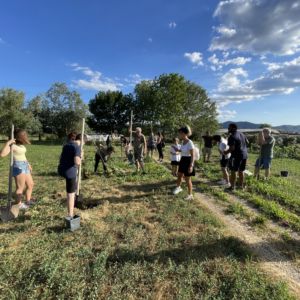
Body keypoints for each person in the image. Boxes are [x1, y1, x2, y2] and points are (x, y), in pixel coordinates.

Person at [1, 129, 35, 209]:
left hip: (25, 165)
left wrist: (28, 164)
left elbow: (23, 155)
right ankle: (18, 205)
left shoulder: (21, 145)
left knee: (30, 184)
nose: (26, 137)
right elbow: (2, 154)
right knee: (20, 187)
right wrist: (8, 143)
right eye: (24, 135)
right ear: (19, 137)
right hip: (18, 166)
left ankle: (28, 201)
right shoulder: (12, 146)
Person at [58, 132, 82, 219]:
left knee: (71, 189)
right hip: (70, 172)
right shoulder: (77, 147)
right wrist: (80, 158)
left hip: (61, 169)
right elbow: (77, 161)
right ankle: (70, 214)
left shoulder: (66, 145)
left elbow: (61, 157)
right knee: (71, 194)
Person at [173, 126, 195, 201]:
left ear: (184, 133)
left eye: (180, 133)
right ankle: (178, 188)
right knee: (179, 175)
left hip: (188, 161)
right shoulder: (183, 142)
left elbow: (193, 155)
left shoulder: (190, 142)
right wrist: (177, 149)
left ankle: (190, 195)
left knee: (188, 179)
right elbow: (182, 150)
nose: (179, 134)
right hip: (183, 160)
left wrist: (191, 165)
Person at [224, 123, 248, 191]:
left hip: (236, 156)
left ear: (233, 128)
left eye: (229, 128)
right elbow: (247, 142)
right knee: (241, 170)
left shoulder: (232, 136)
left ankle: (232, 187)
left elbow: (232, 148)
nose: (228, 129)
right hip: (244, 155)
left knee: (233, 171)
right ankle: (241, 186)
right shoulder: (242, 134)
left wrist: (225, 152)